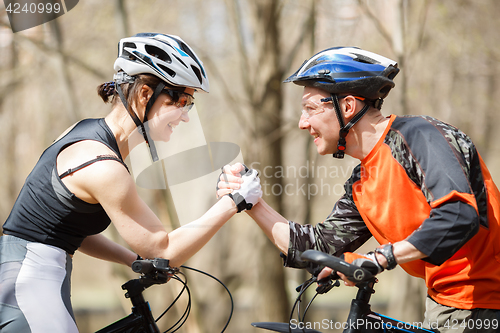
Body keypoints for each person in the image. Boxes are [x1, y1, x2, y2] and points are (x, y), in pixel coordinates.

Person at [217, 47, 500, 332]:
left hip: (486, 306)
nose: (303, 123)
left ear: (348, 106)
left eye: (310, 109)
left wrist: (381, 257)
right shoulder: (362, 181)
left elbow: (458, 215)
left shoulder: (420, 136)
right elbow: (318, 246)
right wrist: (250, 202)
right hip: (445, 306)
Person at [0, 32, 262, 333]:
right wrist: (236, 201)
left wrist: (132, 259)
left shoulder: (87, 135)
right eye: (181, 100)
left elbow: (66, 230)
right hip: (31, 290)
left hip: (26, 280)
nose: (186, 115)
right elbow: (163, 249)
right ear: (145, 95)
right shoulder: (103, 166)